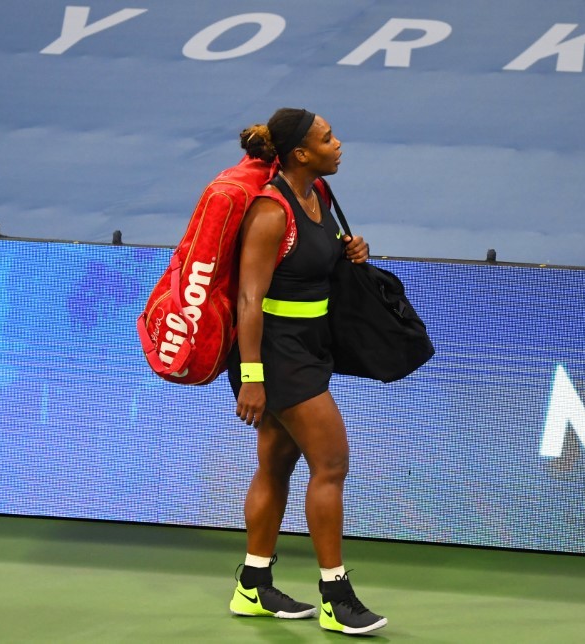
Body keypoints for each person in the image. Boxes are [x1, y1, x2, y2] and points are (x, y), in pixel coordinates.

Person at [226, 107, 387, 636]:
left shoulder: (319, 198)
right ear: (300, 153)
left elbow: (309, 266)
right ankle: (336, 597)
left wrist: (350, 253)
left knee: (277, 465)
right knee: (332, 462)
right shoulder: (272, 210)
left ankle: (253, 585)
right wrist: (252, 375)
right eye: (326, 138)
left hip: (308, 346)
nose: (337, 144)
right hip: (274, 352)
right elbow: (250, 298)